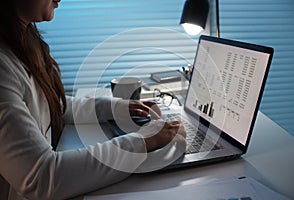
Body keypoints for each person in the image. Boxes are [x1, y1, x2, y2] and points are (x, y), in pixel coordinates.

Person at [0, 0, 187, 199]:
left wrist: (115, 108)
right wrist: (142, 141)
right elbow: (41, 178)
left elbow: (52, 106)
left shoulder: (22, 42)